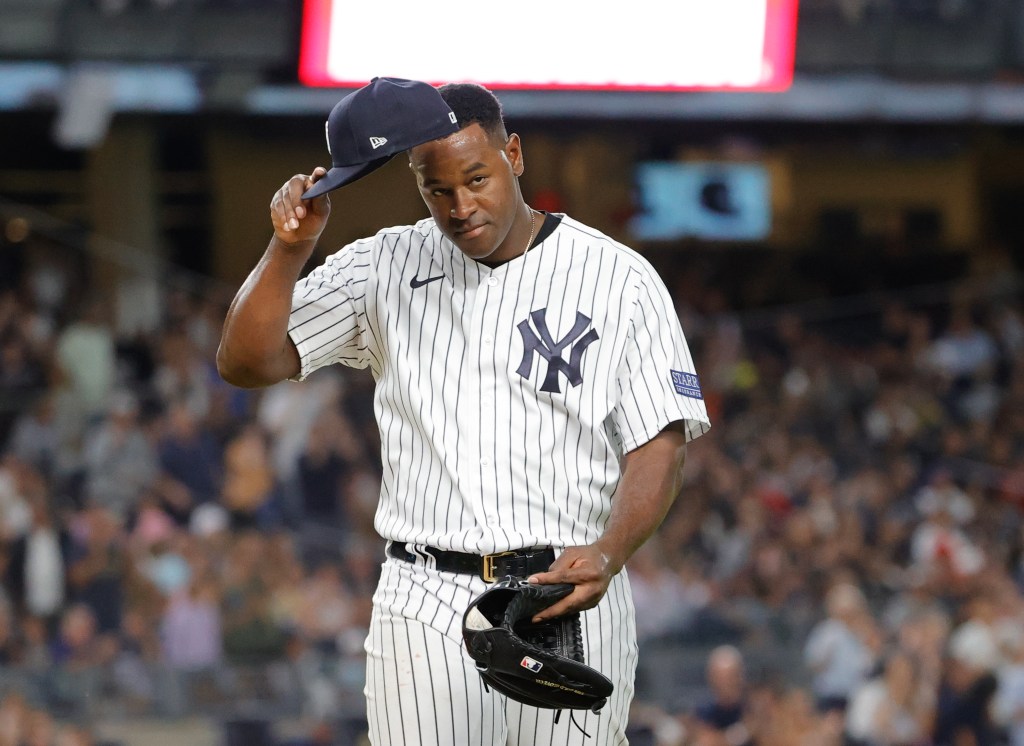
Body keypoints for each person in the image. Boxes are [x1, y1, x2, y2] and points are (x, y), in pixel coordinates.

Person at [217, 77, 710, 745]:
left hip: (564, 585)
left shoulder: (618, 277)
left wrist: (609, 552)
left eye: (476, 179)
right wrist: (288, 248)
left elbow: (660, 443)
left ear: (514, 154)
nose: (461, 206)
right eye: (438, 189)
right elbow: (246, 362)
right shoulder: (384, 263)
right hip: (424, 594)